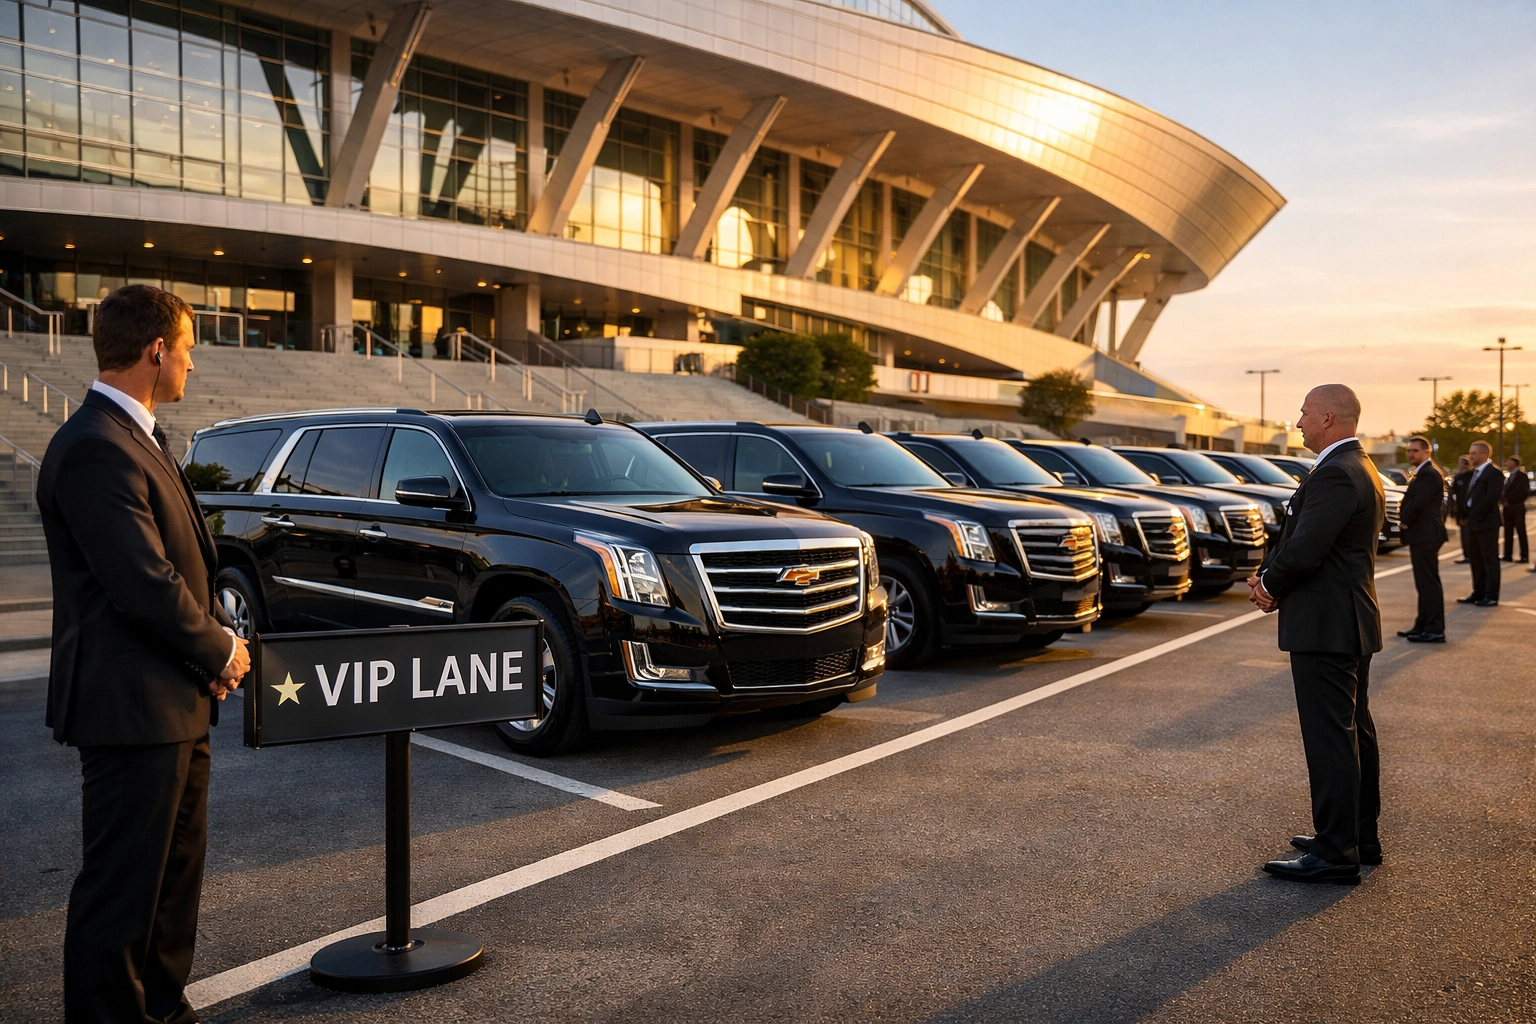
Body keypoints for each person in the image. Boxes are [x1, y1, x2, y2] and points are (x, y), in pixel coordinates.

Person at [39, 285, 252, 1023]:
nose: (192, 362)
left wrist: (209, 651)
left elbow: (184, 559)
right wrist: (221, 648)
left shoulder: (139, 437)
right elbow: (141, 582)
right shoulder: (94, 446)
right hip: (129, 707)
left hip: (172, 701)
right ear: (156, 350)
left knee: (171, 883)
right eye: (188, 346)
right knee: (122, 891)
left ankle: (162, 1009)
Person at [1246, 384, 1382, 885]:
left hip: (1328, 624)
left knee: (1331, 737)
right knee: (1352, 731)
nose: (1298, 421)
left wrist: (1267, 584)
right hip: (1346, 620)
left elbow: (1305, 548)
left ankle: (1334, 851)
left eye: (1304, 413)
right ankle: (1358, 836)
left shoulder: (1338, 472)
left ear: (1328, 418)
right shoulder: (1357, 466)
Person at [1396, 436, 1447, 642]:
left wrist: (1405, 521)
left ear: (1427, 452)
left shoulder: (1429, 474)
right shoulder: (1422, 473)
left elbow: (1419, 502)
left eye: (1415, 451)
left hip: (1426, 534)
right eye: (1409, 450)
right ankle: (1422, 624)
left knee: (1428, 583)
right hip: (1422, 534)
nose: (1410, 454)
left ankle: (1434, 629)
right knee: (1423, 583)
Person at [1458, 441, 1502, 607]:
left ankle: (1491, 594)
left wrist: (1475, 515)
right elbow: (1470, 496)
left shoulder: (1493, 473)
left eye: (1474, 453)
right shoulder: (1475, 473)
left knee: (1489, 559)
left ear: (1484, 454)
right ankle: (1478, 592)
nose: (1471, 456)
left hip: (1486, 522)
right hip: (1473, 522)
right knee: (1476, 559)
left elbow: (1491, 498)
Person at [1502, 455, 1529, 563]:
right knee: (1507, 532)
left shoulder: (1522, 476)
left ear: (1514, 464)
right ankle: (1507, 555)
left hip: (1517, 508)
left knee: (1520, 531)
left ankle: (1524, 555)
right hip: (1507, 509)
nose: (1507, 464)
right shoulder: (1508, 477)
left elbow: (1523, 493)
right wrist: (1503, 500)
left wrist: (1510, 501)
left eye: (1509, 462)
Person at [1451, 455, 1473, 564]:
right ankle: (1467, 554)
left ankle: (1470, 555)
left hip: (1469, 511)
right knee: (1464, 534)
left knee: (1468, 533)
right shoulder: (1458, 477)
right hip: (1460, 510)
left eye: (1461, 463)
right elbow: (1453, 492)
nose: (1458, 465)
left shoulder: (1471, 476)